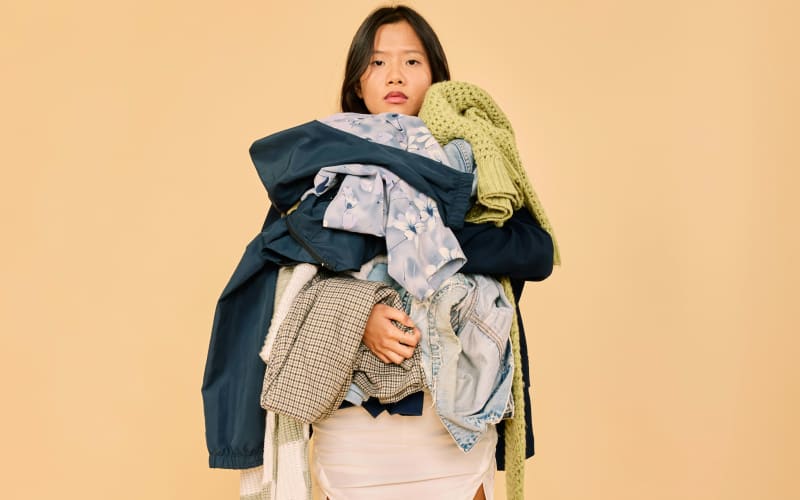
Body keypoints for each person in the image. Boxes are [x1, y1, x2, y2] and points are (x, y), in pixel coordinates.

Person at [202, 5, 556, 500]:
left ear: (435, 76)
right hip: (355, 438)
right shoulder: (320, 174)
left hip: (454, 427)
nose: (395, 75)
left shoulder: (475, 165)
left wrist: (419, 237)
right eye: (377, 62)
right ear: (357, 85)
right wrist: (359, 313)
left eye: (412, 61)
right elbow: (276, 289)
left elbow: (535, 252)